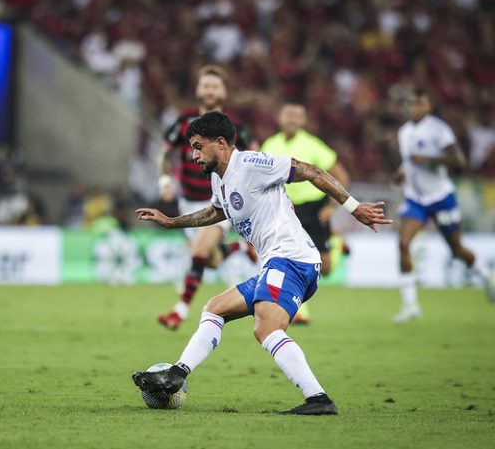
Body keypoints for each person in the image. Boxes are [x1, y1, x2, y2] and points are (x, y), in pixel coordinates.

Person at [133, 112, 391, 414]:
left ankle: (318, 399)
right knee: (215, 309)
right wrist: (173, 222)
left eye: (198, 146)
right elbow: (217, 212)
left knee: (265, 328)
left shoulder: (252, 164)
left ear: (220, 143)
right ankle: (178, 372)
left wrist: (353, 207)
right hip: (277, 264)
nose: (194, 155)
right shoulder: (219, 179)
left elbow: (311, 171)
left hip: (292, 259)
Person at [157, 64, 258, 331]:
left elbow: (257, 155)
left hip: (221, 201)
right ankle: (239, 249)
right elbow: (165, 154)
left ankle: (179, 311)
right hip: (189, 202)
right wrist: (165, 180)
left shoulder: (234, 126)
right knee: (209, 259)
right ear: (197, 89)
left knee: (200, 251)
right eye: (205, 85)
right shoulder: (183, 122)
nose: (210, 90)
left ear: (224, 92)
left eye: (215, 85)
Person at [393, 90, 495, 323]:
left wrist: (428, 160)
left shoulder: (439, 130)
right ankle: (410, 306)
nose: (416, 108)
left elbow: (459, 161)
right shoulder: (404, 131)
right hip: (415, 199)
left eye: (421, 104)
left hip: (441, 197)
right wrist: (401, 172)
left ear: (428, 107)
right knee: (403, 244)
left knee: (456, 250)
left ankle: (486, 274)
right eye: (412, 104)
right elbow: (408, 160)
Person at [261, 102, 350, 324]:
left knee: (327, 268)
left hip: (315, 207)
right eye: (288, 115)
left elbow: (341, 175)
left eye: (296, 116)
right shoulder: (269, 145)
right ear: (279, 118)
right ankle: (300, 311)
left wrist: (330, 207)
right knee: (291, 259)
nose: (292, 119)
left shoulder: (313, 145)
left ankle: (336, 243)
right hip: (286, 209)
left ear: (303, 121)